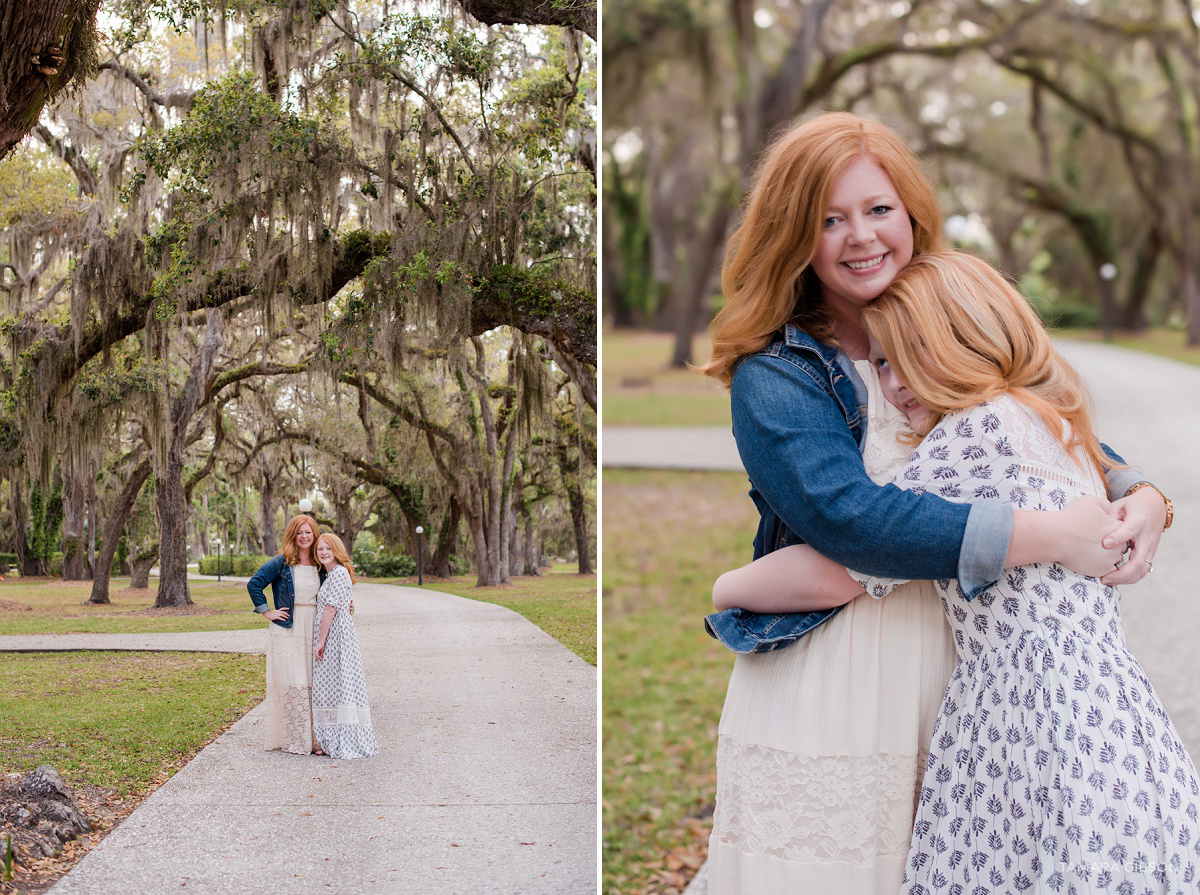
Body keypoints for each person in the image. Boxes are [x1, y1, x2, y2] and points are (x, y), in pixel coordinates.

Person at [695, 111, 1171, 893]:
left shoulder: (943, 321)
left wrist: (1144, 494)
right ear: (794, 235)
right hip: (842, 676)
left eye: (878, 210)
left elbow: (1040, 427)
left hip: (972, 690)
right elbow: (856, 524)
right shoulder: (777, 374)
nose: (861, 238)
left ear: (912, 212)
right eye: (829, 219)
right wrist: (1046, 534)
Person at [247, 514, 326, 755]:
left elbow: (335, 591)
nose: (304, 537)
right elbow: (254, 584)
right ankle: (296, 740)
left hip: (314, 626)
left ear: (314, 535)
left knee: (315, 682)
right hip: (288, 629)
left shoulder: (321, 563)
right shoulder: (281, 563)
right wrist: (267, 612)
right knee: (294, 683)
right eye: (299, 533)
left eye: (308, 532)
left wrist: (348, 606)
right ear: (293, 536)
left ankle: (317, 739)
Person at [311, 532, 379, 760]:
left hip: (335, 637)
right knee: (332, 685)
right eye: (320, 548)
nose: (323, 552)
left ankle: (344, 739)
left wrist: (321, 641)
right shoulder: (331, 575)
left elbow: (330, 608)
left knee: (338, 684)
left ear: (336, 550)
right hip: (333, 634)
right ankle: (331, 740)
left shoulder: (338, 573)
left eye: (328, 548)